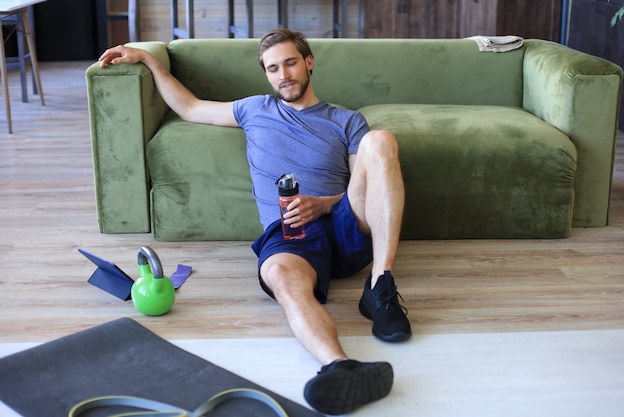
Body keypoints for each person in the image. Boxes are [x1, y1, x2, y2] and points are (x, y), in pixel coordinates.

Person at [99, 28, 412, 415]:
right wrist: (148, 59)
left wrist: (324, 204)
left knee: (380, 141)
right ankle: (340, 366)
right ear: (266, 74)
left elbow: (361, 190)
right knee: (280, 276)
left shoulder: (345, 120)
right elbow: (190, 107)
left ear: (309, 62)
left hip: (343, 224)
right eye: (274, 68)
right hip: (292, 232)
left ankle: (380, 287)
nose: (284, 75)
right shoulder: (254, 109)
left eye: (291, 63)